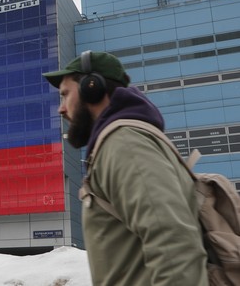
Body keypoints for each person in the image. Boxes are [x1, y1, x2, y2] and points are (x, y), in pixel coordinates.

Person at [42, 51, 208, 285]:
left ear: (92, 88)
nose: (61, 109)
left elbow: (174, 245)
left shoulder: (124, 144)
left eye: (65, 95)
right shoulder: (120, 142)